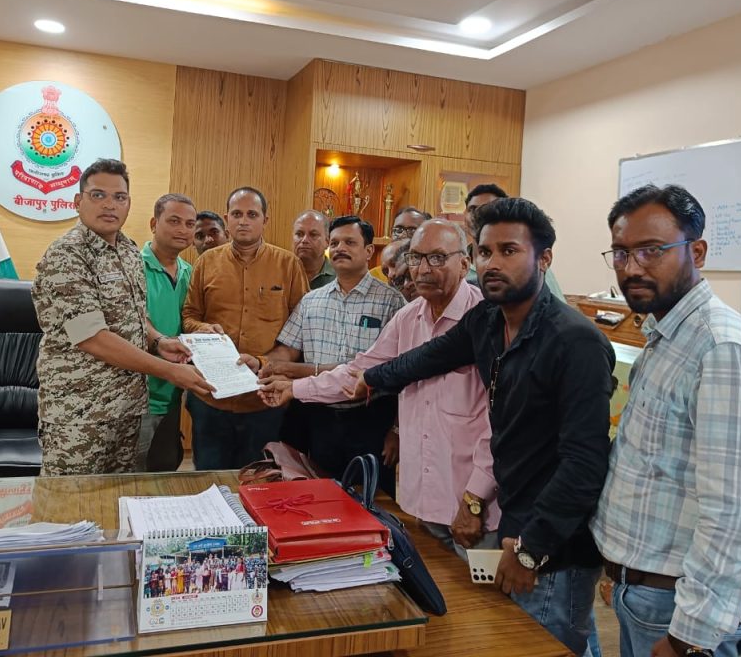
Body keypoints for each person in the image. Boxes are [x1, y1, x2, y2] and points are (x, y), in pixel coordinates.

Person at [343, 198, 614, 656]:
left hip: (554, 545)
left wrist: (531, 549)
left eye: (509, 251)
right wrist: (372, 377)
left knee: (549, 643)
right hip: (511, 520)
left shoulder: (575, 342)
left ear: (544, 259)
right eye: (485, 252)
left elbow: (583, 464)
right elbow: (426, 358)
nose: (493, 264)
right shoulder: (488, 320)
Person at [592, 184, 741, 657]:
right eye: (621, 253)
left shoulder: (721, 348)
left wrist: (689, 636)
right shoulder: (667, 334)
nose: (631, 268)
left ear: (697, 252)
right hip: (646, 594)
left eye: (651, 250)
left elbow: (734, 511)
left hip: (678, 609)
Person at [260, 219, 500, 559]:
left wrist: (476, 498)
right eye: (416, 258)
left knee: (483, 591)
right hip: (421, 498)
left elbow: (499, 422)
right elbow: (359, 372)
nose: (423, 269)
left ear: (465, 263)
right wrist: (295, 389)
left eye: (437, 258)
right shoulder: (408, 318)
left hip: (474, 506)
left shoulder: (488, 321)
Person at [32, 159, 214, 476]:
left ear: (129, 203)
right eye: (98, 195)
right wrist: (170, 371)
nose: (109, 205)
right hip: (80, 414)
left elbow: (135, 317)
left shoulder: (128, 251)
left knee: (120, 498)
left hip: (127, 410)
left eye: (119, 197)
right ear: (78, 201)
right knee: (72, 501)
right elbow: (93, 338)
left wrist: (158, 342)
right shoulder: (67, 255)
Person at [242, 216, 404, 492]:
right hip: (318, 416)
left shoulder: (391, 301)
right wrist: (260, 362)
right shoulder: (311, 300)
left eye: (349, 242)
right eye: (335, 243)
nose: (340, 248)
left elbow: (399, 372)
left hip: (370, 417)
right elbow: (288, 349)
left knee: (370, 498)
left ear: (368, 251)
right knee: (319, 493)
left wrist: (396, 430)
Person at [182, 186, 309, 469]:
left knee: (258, 480)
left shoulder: (288, 264)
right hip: (211, 396)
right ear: (227, 218)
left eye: (252, 214)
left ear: (265, 220)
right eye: (237, 214)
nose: (243, 221)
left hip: (264, 396)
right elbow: (189, 315)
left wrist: (265, 362)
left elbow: (301, 329)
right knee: (210, 477)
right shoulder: (206, 262)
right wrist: (202, 328)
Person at [138, 192, 203, 472]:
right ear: (154, 224)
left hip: (174, 392)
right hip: (138, 397)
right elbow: (131, 321)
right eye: (174, 221)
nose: (183, 230)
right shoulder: (132, 267)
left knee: (164, 468)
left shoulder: (191, 272)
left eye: (190, 224)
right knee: (134, 476)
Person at [464, 183, 565, 299]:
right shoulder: (456, 261)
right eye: (472, 209)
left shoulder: (535, 267)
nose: (477, 216)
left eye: (509, 251)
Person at [292, 210, 335, 289]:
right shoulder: (281, 272)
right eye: (299, 234)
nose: (304, 240)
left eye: (313, 235)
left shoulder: (341, 277)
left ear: (327, 241)